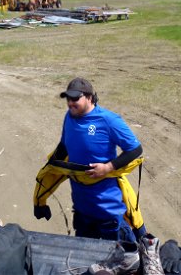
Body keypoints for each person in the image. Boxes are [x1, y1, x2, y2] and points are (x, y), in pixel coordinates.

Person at [33, 77, 146, 243]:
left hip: (108, 212)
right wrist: (44, 186)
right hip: (81, 210)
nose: (70, 103)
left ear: (89, 98)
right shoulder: (69, 117)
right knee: (85, 260)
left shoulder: (109, 120)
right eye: (68, 99)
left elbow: (135, 149)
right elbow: (64, 146)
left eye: (75, 98)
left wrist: (108, 167)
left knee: (121, 263)